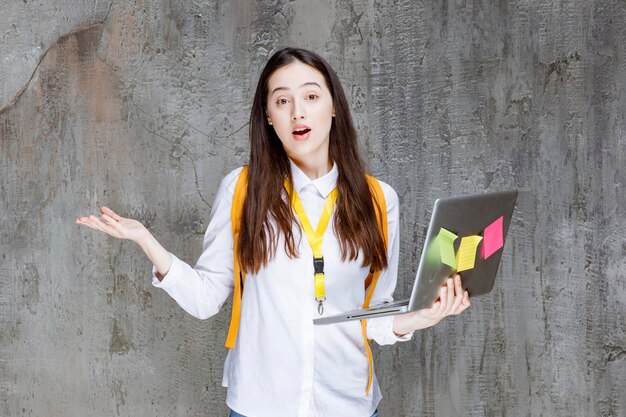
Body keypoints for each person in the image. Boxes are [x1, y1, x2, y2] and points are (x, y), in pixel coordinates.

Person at [76, 47, 471, 417]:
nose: (298, 112)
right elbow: (206, 298)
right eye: (282, 101)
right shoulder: (242, 190)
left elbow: (375, 315)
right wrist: (146, 239)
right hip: (259, 403)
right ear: (268, 116)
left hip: (347, 402)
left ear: (334, 106)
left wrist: (422, 317)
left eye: (311, 97)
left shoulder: (379, 199)